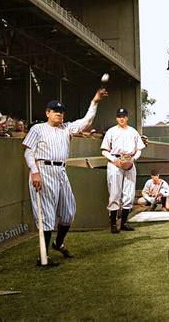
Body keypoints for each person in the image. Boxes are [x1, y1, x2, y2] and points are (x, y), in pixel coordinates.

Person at [23, 88, 107, 266]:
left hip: (60, 170)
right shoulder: (38, 129)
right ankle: (43, 257)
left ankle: (58, 243)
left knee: (69, 212)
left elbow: (87, 121)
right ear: (48, 113)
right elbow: (28, 152)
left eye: (61, 112)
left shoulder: (66, 128)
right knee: (46, 216)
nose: (59, 115)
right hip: (43, 170)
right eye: (55, 112)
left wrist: (95, 101)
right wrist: (34, 171)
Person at [101, 108, 146, 233]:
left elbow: (139, 149)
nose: (121, 118)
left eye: (124, 116)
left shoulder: (133, 131)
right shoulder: (111, 131)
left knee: (129, 193)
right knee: (115, 193)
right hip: (115, 162)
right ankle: (114, 224)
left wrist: (134, 159)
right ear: (116, 118)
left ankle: (125, 222)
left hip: (129, 162)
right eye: (119, 116)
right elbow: (104, 150)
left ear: (127, 117)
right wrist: (113, 160)